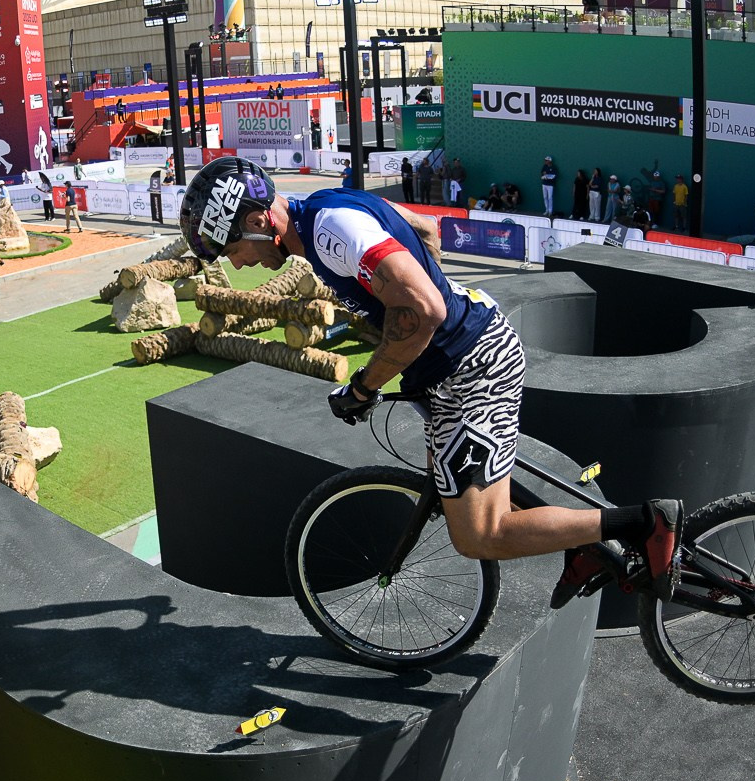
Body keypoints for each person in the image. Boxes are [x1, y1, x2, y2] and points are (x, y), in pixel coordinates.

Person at [175, 156, 681, 603]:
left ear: (258, 220)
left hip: (470, 367)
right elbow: (425, 229)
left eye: (231, 248)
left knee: (479, 535)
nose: (237, 262)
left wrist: (364, 386)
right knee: (460, 486)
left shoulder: (330, 232)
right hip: (458, 359)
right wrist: (426, 289)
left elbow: (424, 310)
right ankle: (586, 548)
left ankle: (640, 523)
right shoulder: (325, 208)